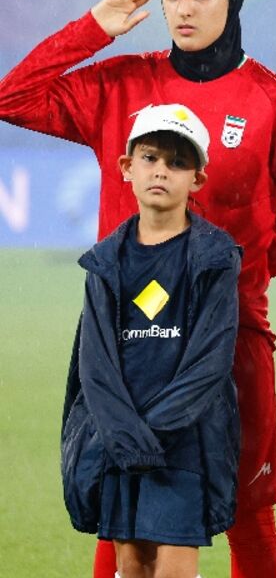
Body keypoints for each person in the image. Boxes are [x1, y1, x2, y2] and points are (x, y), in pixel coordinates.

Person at [0, 0, 276, 578]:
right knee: (118, 497)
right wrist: (93, 29)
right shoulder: (120, 83)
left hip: (232, 333)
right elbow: (13, 98)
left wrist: (232, 280)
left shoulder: (272, 99)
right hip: (126, 338)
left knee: (246, 508)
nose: (183, 8)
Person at [63, 105, 241, 578]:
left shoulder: (215, 256)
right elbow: (95, 366)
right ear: (127, 168)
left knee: (175, 569)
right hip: (121, 441)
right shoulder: (105, 262)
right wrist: (126, 435)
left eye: (178, 162)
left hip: (184, 443)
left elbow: (210, 363)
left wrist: (152, 433)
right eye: (150, 157)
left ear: (197, 179)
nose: (161, 170)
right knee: (132, 565)